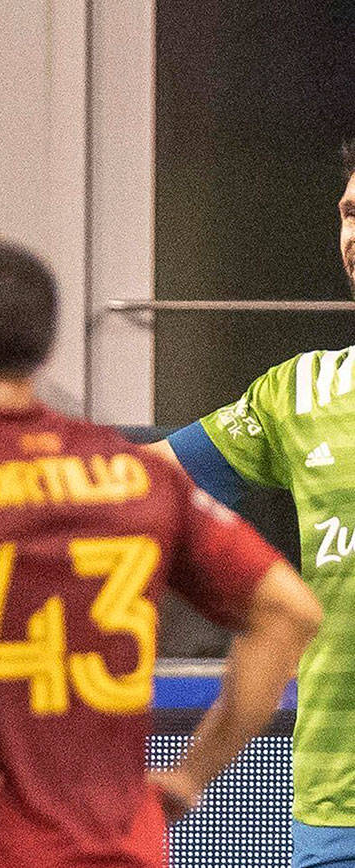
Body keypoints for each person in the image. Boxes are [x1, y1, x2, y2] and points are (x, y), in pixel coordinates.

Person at [0, 238, 323, 867]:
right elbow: (291, 611)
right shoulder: (139, 475)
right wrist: (196, 774)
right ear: (45, 351)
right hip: (126, 847)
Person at [148, 140, 355, 868]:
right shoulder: (300, 392)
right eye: (349, 212)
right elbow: (138, 483)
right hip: (336, 803)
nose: (354, 235)